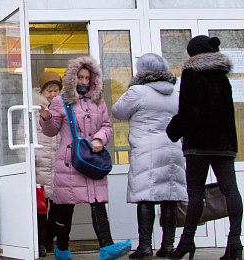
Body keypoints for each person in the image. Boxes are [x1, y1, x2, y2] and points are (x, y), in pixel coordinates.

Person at [39, 56, 132, 260]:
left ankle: (106, 246)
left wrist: (100, 139)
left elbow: (107, 126)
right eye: (79, 77)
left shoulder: (99, 102)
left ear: (93, 79)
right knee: (65, 207)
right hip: (69, 161)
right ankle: (62, 248)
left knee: (98, 201)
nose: (83, 81)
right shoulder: (60, 100)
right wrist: (46, 119)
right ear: (72, 78)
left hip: (92, 159)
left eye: (87, 78)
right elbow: (52, 131)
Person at [166, 35, 243, 260]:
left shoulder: (191, 74)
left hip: (199, 143)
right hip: (224, 142)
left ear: (194, 54)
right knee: (231, 190)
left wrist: (173, 132)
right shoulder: (222, 76)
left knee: (196, 193)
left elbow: (188, 110)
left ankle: (187, 241)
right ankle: (235, 241)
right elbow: (228, 112)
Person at [111, 53, 187, 259]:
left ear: (143, 70)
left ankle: (145, 247)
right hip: (173, 149)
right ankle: (168, 246)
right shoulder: (174, 93)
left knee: (146, 197)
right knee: (170, 197)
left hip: (147, 150)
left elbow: (117, 111)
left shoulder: (138, 91)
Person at [35, 71, 62, 257]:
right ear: (42, 91)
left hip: (59, 165)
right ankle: (40, 243)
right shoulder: (34, 108)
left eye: (56, 90)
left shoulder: (64, 109)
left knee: (58, 207)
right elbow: (22, 135)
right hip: (40, 164)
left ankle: (50, 239)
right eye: (49, 90)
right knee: (40, 207)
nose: (52, 94)